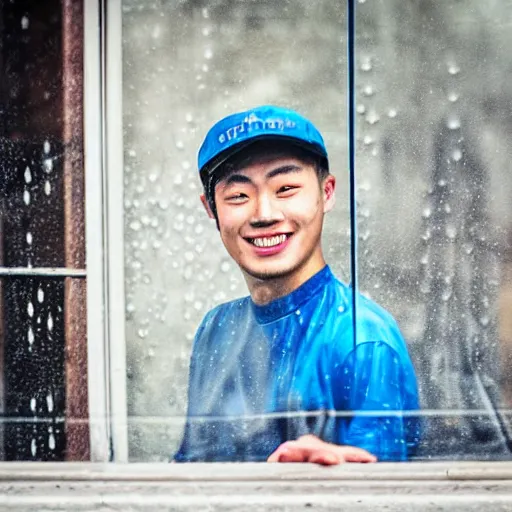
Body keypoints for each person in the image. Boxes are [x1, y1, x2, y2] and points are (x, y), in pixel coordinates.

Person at [174, 105, 420, 464]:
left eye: (286, 188)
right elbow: (191, 469)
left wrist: (335, 472)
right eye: (238, 196)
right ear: (211, 209)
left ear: (327, 192)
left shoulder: (363, 339)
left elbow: (382, 494)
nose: (264, 214)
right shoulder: (216, 329)